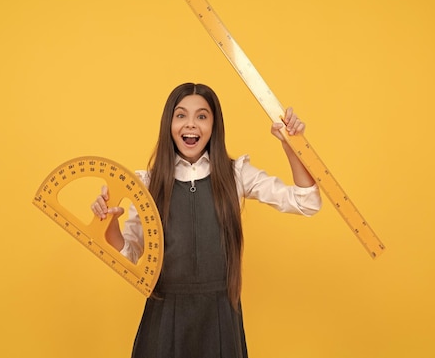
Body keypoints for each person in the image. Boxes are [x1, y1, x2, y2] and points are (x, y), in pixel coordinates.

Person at [91, 82, 321, 358]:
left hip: (220, 317)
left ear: (214, 125)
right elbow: (129, 255)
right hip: (164, 316)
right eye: (181, 115)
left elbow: (306, 202)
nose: (191, 125)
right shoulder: (148, 184)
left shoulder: (236, 174)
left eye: (202, 116)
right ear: (169, 124)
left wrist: (289, 143)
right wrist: (110, 222)